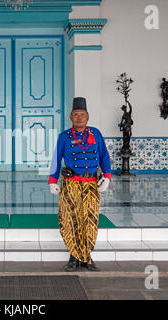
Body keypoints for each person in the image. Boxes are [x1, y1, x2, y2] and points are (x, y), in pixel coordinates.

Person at [48, 97, 111, 272]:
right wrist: (53, 181)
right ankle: (73, 257)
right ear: (70, 117)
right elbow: (56, 159)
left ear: (88, 116)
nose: (79, 118)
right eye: (76, 114)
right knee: (70, 220)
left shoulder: (96, 134)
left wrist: (107, 177)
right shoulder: (64, 136)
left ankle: (87, 257)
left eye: (82, 114)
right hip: (71, 184)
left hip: (91, 185)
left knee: (90, 221)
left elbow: (104, 156)